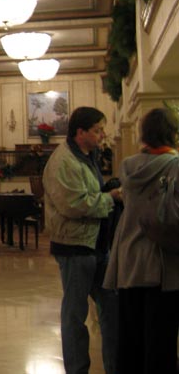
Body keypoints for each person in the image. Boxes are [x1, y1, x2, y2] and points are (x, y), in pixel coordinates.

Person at [43, 106, 122, 374]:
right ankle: (77, 369)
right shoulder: (63, 161)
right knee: (75, 314)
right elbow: (74, 205)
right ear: (80, 132)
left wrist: (106, 190)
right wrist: (110, 198)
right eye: (98, 130)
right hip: (75, 247)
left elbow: (89, 193)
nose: (103, 135)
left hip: (96, 245)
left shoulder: (87, 157)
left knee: (111, 309)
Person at [103, 107, 179, 374]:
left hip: (130, 260)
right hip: (163, 263)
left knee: (130, 338)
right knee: (160, 341)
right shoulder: (175, 165)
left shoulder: (128, 167)